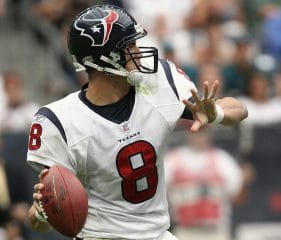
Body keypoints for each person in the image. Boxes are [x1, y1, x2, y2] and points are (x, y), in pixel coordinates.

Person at [26, 4, 248, 240]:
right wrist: (43, 212)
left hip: (158, 234)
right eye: (129, 46)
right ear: (104, 58)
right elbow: (37, 222)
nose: (139, 51)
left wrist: (215, 113)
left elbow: (240, 110)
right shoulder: (60, 121)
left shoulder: (159, 82)